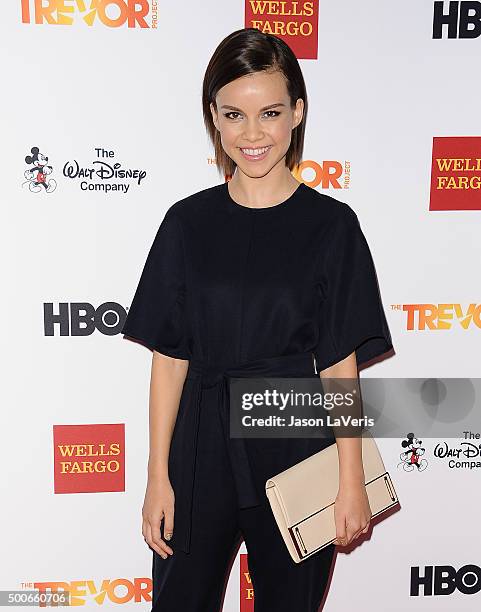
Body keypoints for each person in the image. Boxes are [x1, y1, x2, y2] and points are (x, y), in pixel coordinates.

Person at [121, 27, 394, 612]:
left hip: (296, 435)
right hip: (198, 445)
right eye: (233, 115)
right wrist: (156, 476)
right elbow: (169, 363)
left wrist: (350, 477)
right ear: (213, 119)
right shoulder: (185, 224)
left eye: (269, 112)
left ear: (297, 113)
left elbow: (340, 364)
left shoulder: (332, 226)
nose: (252, 134)